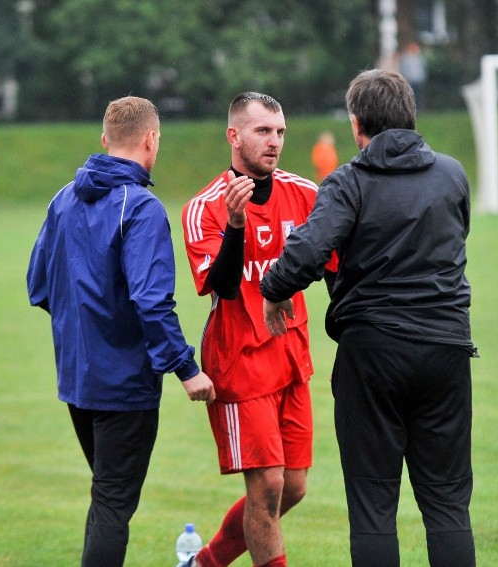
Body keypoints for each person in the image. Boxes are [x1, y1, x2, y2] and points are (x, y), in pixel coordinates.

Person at [261, 69, 478, 567]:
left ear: (357, 125)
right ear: (411, 116)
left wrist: (274, 290)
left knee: (374, 505)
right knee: (447, 502)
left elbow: (308, 251)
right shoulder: (451, 174)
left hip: (373, 352)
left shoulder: (349, 181)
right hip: (445, 348)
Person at [26, 96, 215, 567]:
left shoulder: (62, 199)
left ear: (105, 140)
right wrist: (186, 368)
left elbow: (39, 285)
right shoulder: (143, 207)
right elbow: (151, 300)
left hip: (76, 382)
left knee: (106, 496)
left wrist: (83, 331)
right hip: (124, 386)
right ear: (151, 140)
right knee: (113, 504)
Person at [180, 92, 337, 567]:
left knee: (292, 487)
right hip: (240, 362)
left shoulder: (306, 194)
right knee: (266, 486)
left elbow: (335, 272)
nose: (274, 142)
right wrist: (235, 225)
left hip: (292, 357)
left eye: (280, 132)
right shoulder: (204, 207)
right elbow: (224, 287)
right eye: (262, 131)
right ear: (234, 136)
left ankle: (203, 563)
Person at [399, 41, 427, 110]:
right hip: (410, 80)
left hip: (418, 80)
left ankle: (419, 110)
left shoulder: (419, 58)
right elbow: (404, 69)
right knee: (410, 96)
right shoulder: (406, 58)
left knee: (418, 96)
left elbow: (423, 69)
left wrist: (423, 78)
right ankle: (410, 109)